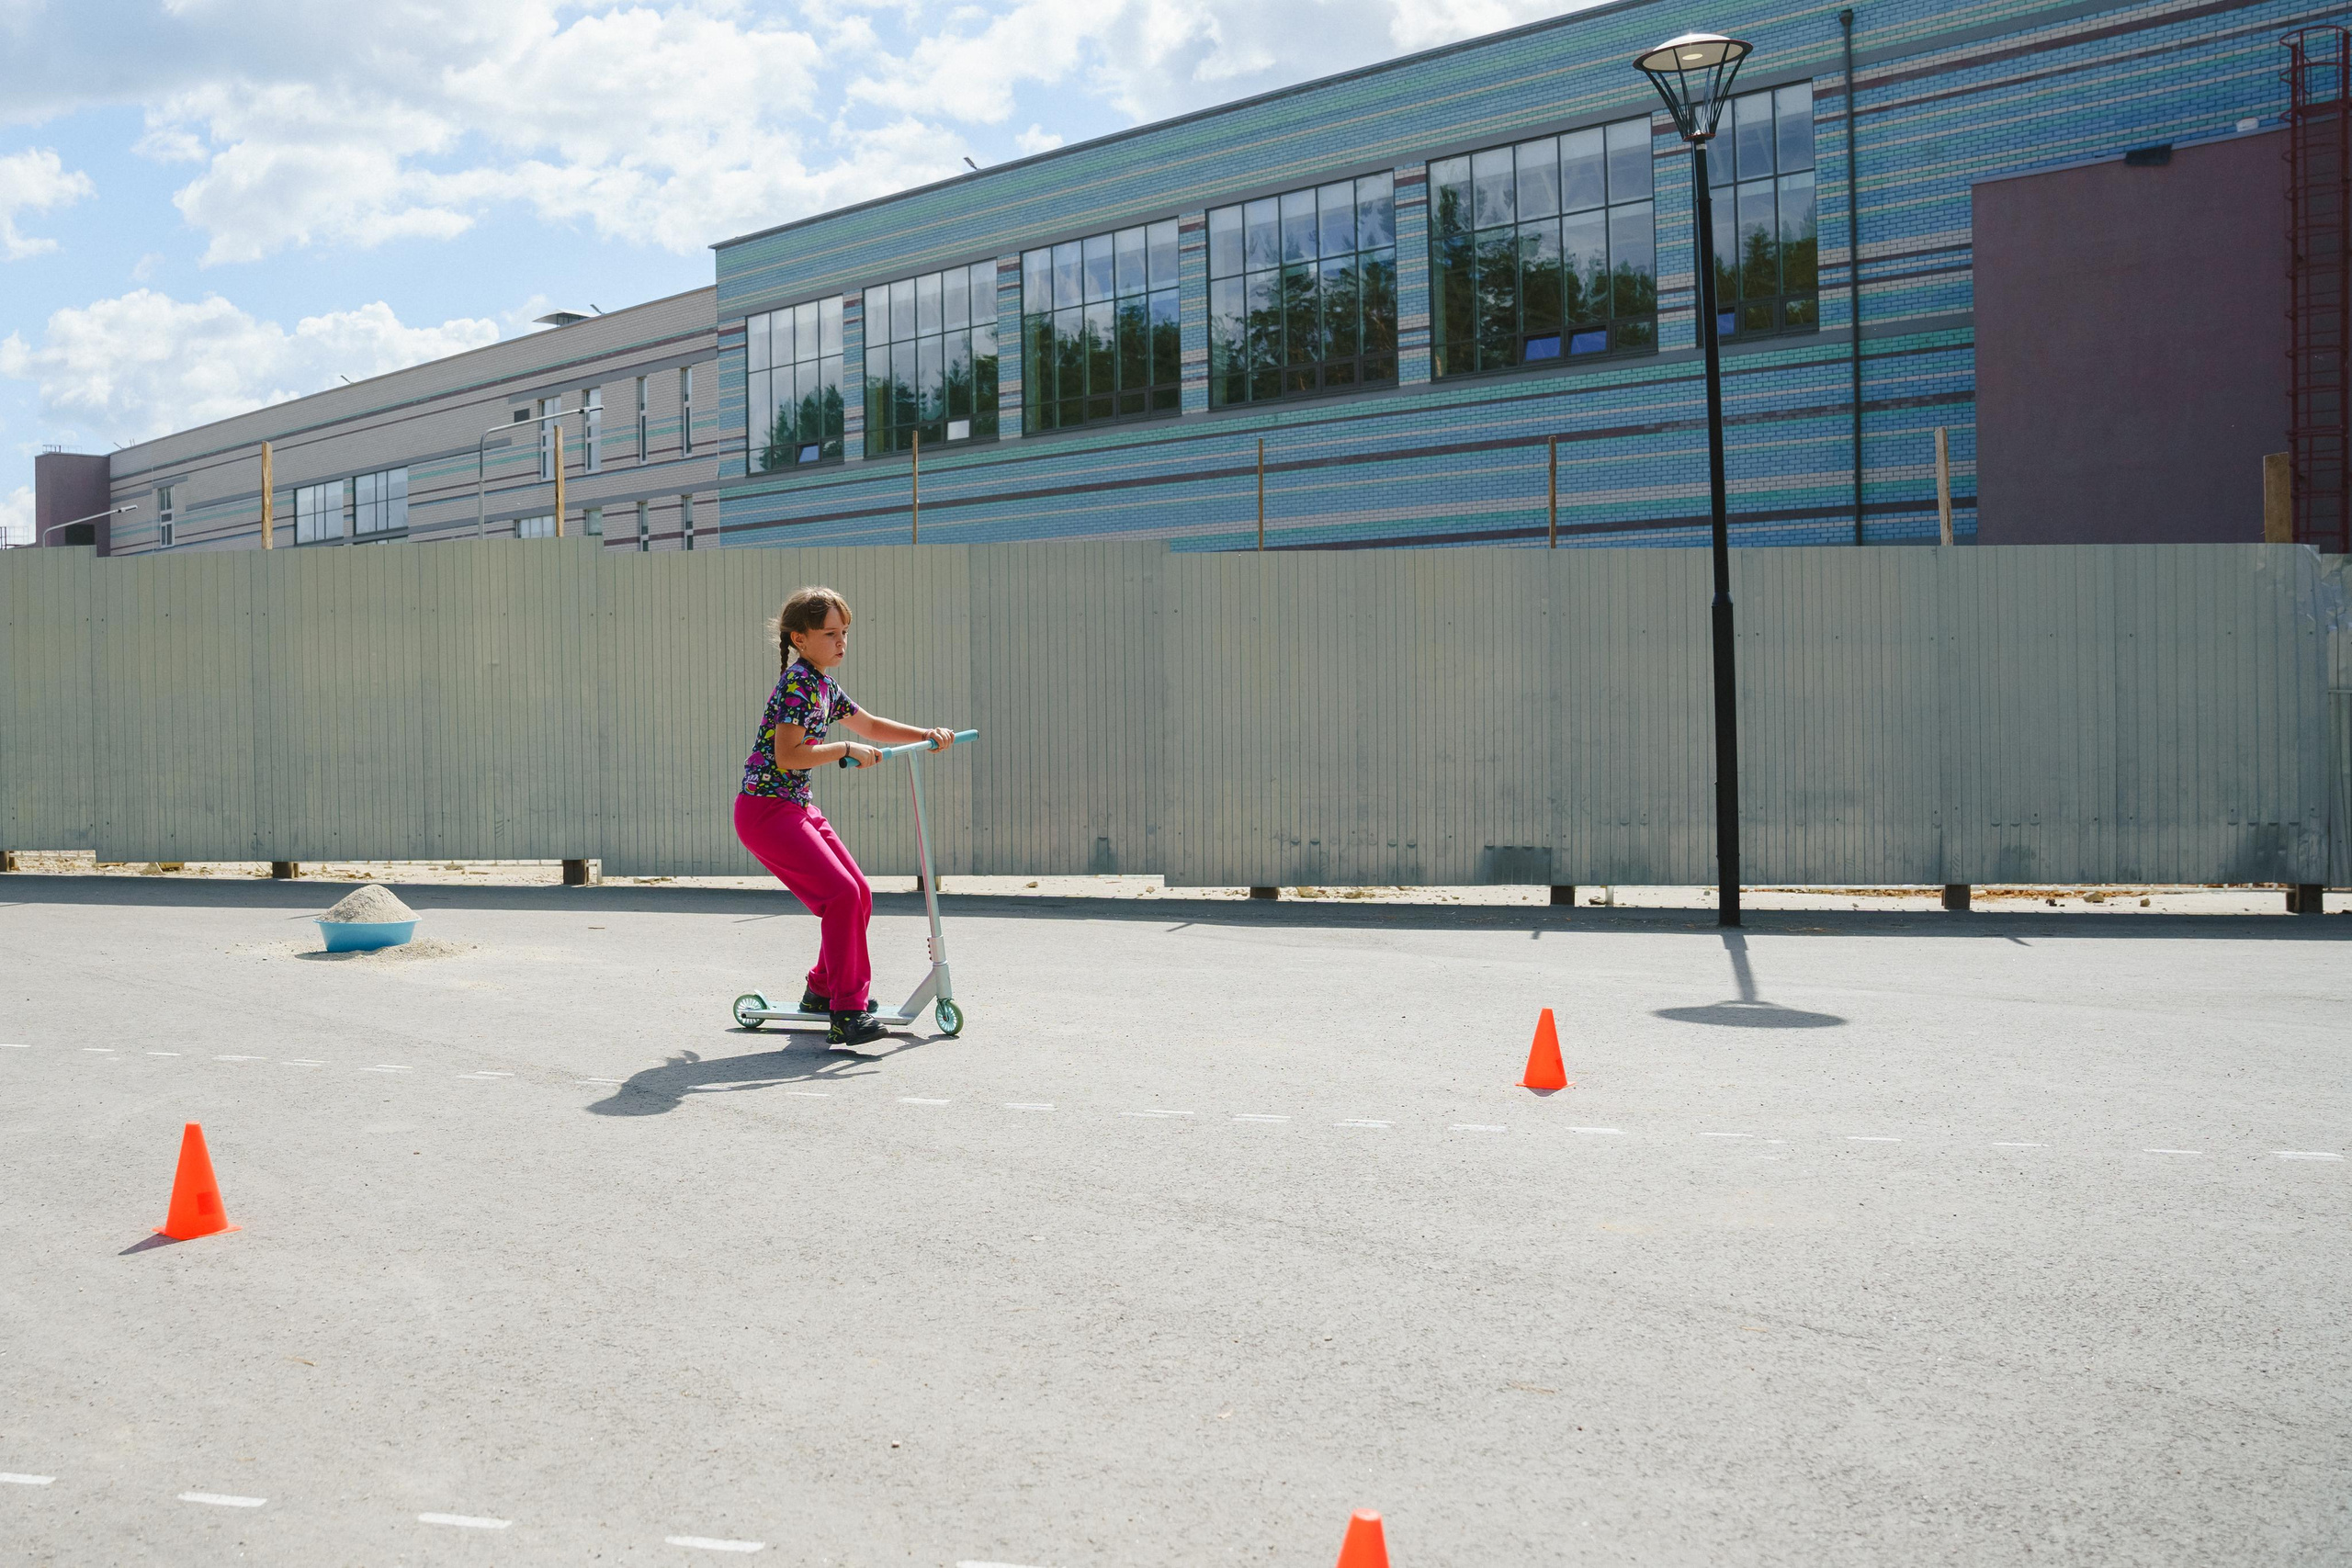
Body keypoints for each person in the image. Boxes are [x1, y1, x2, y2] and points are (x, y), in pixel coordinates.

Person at [735, 586, 955, 1048]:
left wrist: (926, 734)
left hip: (794, 804)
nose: (842, 642)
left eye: (845, 632)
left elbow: (871, 726)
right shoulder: (797, 685)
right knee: (839, 895)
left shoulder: (823, 685)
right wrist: (845, 750)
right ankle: (847, 1014)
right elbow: (790, 755)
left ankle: (821, 990)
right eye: (830, 633)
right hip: (766, 810)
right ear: (799, 638)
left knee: (858, 893)